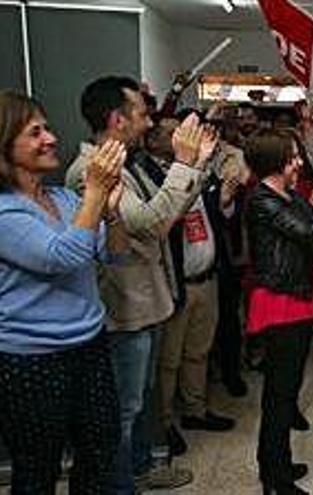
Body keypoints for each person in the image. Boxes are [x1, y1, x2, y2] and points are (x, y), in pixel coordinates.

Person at [66, 76, 210, 492]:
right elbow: (151, 224)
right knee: (123, 410)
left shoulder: (128, 164)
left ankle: (143, 469)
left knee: (140, 399)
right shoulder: (89, 172)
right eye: (143, 115)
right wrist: (185, 162)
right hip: (125, 307)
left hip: (148, 300)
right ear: (117, 119)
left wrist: (194, 165)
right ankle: (120, 486)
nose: (149, 124)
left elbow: (166, 208)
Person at [0, 91, 126, 493]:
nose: (51, 138)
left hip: (89, 345)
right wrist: (95, 193)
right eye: (35, 132)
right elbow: (65, 257)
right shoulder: (5, 213)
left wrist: (112, 209)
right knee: (38, 469)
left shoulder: (63, 197)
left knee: (99, 453)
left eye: (48, 129)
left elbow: (114, 253)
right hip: (32, 360)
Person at [245, 128, 313, 495]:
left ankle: (278, 463)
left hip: (298, 296)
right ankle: (274, 479)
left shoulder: (287, 194)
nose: (297, 162)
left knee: (287, 391)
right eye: (292, 156)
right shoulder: (262, 199)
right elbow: (312, 232)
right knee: (279, 396)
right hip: (281, 303)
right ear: (276, 162)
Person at [144, 115, 238, 452]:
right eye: (173, 133)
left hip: (207, 277)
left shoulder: (201, 169)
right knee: (169, 359)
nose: (183, 136)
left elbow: (215, 214)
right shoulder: (153, 177)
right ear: (153, 141)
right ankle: (164, 423)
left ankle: (196, 410)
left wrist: (225, 198)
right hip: (177, 283)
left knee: (198, 351)